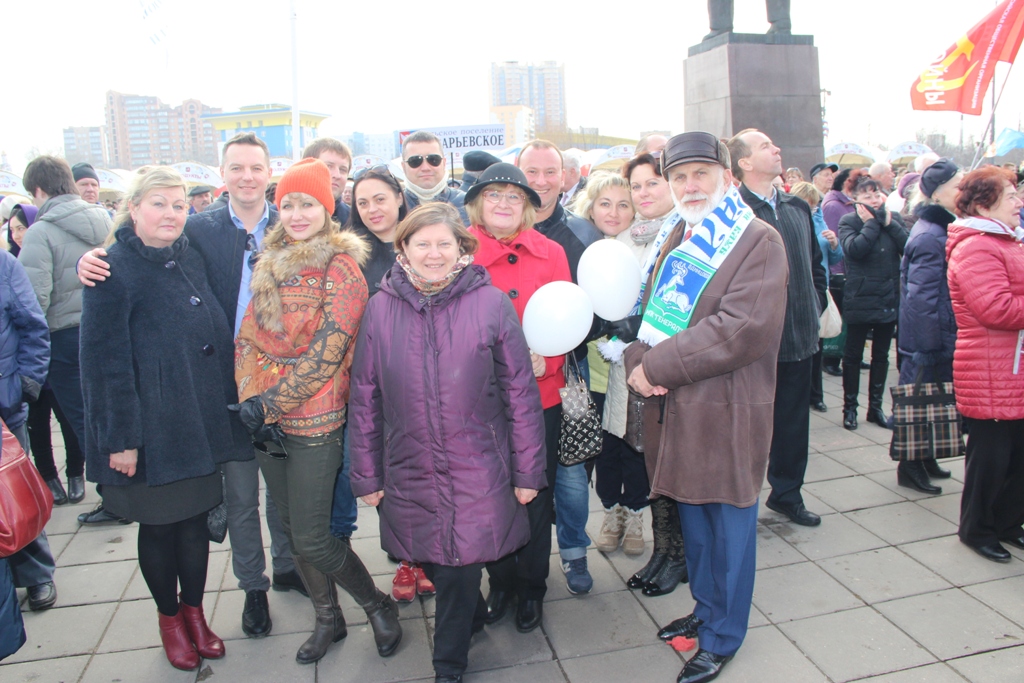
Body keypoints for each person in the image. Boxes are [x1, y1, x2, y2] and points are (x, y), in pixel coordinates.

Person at [77, 132, 302, 639]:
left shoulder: (288, 224)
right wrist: (89, 260)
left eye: (177, 204)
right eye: (236, 167)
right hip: (195, 409)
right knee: (229, 503)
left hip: (268, 392)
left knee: (275, 497)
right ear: (222, 175)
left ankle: (280, 574)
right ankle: (245, 592)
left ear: (270, 173)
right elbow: (105, 356)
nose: (247, 176)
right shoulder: (193, 233)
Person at [349, 202, 546, 683]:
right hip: (409, 462)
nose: (433, 254)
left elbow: (521, 394)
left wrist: (528, 472)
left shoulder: (490, 303)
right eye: (422, 244)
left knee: (457, 564)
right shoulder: (380, 308)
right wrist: (367, 475)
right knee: (436, 556)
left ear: (462, 247)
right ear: (403, 248)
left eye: (444, 243)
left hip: (478, 462)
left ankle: (448, 665)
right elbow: (365, 397)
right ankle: (473, 617)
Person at [625, 131, 788, 683]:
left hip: (727, 411)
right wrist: (636, 357)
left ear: (727, 176)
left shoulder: (758, 239)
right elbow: (654, 313)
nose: (690, 185)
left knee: (729, 533)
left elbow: (740, 329)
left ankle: (722, 637)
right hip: (678, 411)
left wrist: (654, 367)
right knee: (695, 525)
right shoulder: (679, 233)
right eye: (679, 177)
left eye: (701, 174)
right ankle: (706, 611)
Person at [233, 158, 402, 664]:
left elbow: (329, 353)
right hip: (265, 422)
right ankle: (328, 617)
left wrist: (270, 401)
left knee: (312, 536)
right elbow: (247, 338)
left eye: (307, 203)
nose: (297, 214)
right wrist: (251, 398)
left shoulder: (341, 267)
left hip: (316, 419)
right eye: (287, 204)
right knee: (289, 529)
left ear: (327, 208)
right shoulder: (269, 260)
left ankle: (376, 604)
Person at [80, 167, 248, 671]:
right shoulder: (110, 269)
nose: (171, 213)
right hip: (150, 431)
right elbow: (103, 362)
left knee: (194, 524)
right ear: (133, 208)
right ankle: (170, 621)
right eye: (159, 203)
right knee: (159, 527)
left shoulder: (189, 256)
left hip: (197, 422)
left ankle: (195, 615)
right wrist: (120, 438)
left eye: (178, 204)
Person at [463, 162, 572, 631]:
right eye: (494, 194)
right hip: (478, 402)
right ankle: (501, 581)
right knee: (487, 497)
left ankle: (531, 587)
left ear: (527, 206)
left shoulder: (552, 252)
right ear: (476, 204)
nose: (504, 203)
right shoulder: (458, 251)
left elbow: (569, 316)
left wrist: (551, 359)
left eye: (514, 196)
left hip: (538, 399)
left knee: (534, 497)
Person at [342, 166, 436, 603]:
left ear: (400, 197)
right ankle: (404, 556)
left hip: (425, 376)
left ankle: (428, 555)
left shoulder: (423, 243)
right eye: (362, 202)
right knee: (386, 475)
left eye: (380, 198)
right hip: (372, 379)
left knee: (426, 470)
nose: (372, 209)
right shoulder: (350, 254)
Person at [730, 130, 827, 528]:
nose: (777, 149)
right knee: (749, 428)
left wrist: (815, 303)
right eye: (766, 146)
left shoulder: (796, 207)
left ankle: (787, 494)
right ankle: (739, 499)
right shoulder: (734, 211)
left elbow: (815, 264)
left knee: (793, 425)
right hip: (755, 345)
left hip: (799, 336)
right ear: (744, 162)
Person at [603, 154, 689, 596]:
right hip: (632, 368)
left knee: (673, 461)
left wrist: (639, 325)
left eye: (652, 183)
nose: (643, 193)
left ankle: (679, 555)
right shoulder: (629, 237)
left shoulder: (687, 232)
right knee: (650, 458)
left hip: (672, 369)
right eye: (636, 186)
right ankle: (664, 550)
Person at [516, 141, 600, 592]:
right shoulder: (499, 228)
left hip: (571, 372)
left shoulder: (583, 233)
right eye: (532, 171)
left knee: (571, 471)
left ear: (566, 177)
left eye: (550, 171)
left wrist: (559, 341)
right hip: (509, 377)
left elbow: (602, 310)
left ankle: (573, 552)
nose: (541, 181)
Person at [18, 155, 111, 514]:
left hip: (66, 339)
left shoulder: (40, 232)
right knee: (109, 414)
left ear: (39, 190)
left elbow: (34, 299)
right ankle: (124, 494)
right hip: (106, 329)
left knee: (83, 420)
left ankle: (114, 498)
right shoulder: (104, 218)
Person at [946, 166, 1024, 564]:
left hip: (1011, 367)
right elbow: (996, 309)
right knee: (991, 461)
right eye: (1010, 196)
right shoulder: (976, 246)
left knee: (1017, 457)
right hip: (990, 370)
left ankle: (1007, 523)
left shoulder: (1007, 240)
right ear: (983, 205)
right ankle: (976, 530)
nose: (1019, 202)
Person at [572, 172, 650, 558]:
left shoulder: (646, 248)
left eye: (624, 204)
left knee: (633, 446)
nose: (614, 212)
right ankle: (610, 512)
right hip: (588, 372)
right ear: (591, 207)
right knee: (599, 449)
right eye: (605, 203)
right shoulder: (578, 245)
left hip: (631, 371)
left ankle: (635, 513)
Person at [7, 202, 86, 505]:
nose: (17, 235)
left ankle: (75, 474)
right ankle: (48, 477)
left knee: (68, 418)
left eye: (22, 227)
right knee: (37, 423)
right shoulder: (12, 260)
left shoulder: (37, 251)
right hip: (23, 361)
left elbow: (35, 308)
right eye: (12, 230)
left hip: (51, 349)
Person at [895, 159, 962, 495]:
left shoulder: (939, 229)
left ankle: (926, 457)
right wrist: (927, 345)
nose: (962, 192)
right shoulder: (930, 236)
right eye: (957, 187)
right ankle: (910, 466)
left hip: (935, 331)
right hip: (925, 337)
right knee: (918, 401)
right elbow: (920, 297)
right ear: (937, 194)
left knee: (932, 399)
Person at [1, 234, 59, 614]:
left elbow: (34, 327)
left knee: (14, 494)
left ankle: (36, 574)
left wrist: (23, 385)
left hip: (4, 406)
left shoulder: (4, 265)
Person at [838, 175, 909, 430]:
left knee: (881, 355)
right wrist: (870, 224)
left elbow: (909, 247)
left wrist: (889, 224)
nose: (874, 199)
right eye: (867, 195)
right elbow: (854, 250)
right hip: (861, 297)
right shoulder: (849, 221)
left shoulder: (893, 218)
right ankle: (850, 408)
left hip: (888, 296)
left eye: (876, 194)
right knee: (853, 356)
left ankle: (875, 407)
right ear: (855, 198)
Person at [790, 182, 842, 414]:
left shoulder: (819, 219)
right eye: (809, 205)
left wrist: (834, 244)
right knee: (804, 346)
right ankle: (804, 395)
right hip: (799, 290)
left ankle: (816, 395)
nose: (812, 210)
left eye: (814, 206)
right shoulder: (792, 218)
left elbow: (833, 258)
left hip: (819, 287)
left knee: (817, 345)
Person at [401, 131, 469, 225]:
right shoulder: (395, 207)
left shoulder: (467, 204)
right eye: (415, 161)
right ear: (403, 166)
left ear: (444, 163)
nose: (425, 168)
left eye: (433, 159)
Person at [302, 137, 352, 226]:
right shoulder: (280, 218)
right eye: (328, 166)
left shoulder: (354, 220)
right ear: (306, 168)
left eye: (342, 169)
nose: (337, 175)